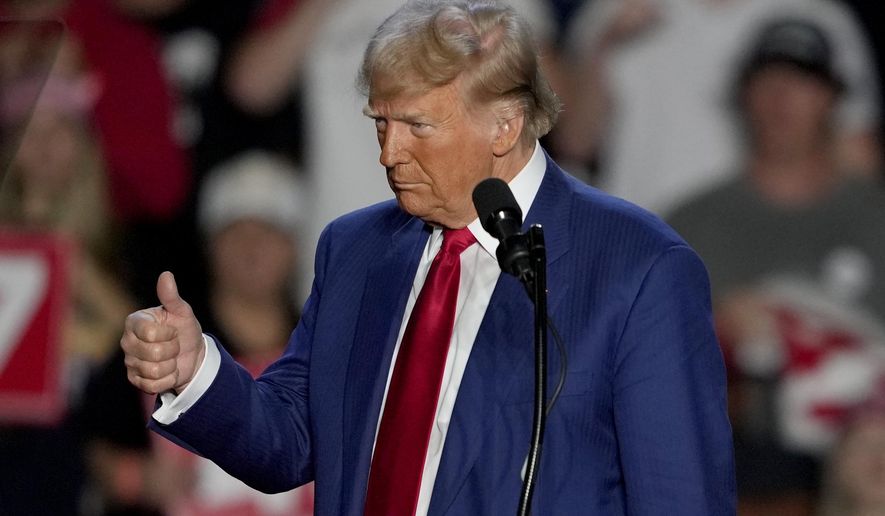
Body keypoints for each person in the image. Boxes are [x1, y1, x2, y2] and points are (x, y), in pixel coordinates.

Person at [120, 1, 735, 514]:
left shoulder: (638, 269)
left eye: (417, 127)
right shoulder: (355, 250)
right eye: (380, 124)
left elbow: (680, 500)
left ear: (504, 124)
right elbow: (290, 438)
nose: (388, 154)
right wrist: (197, 370)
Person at [667, 16, 885, 515]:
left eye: (801, 82)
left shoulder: (875, 218)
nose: (781, 98)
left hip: (862, 452)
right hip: (741, 457)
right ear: (743, 98)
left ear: (831, 99)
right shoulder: (691, 224)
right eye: (767, 82)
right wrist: (717, 331)